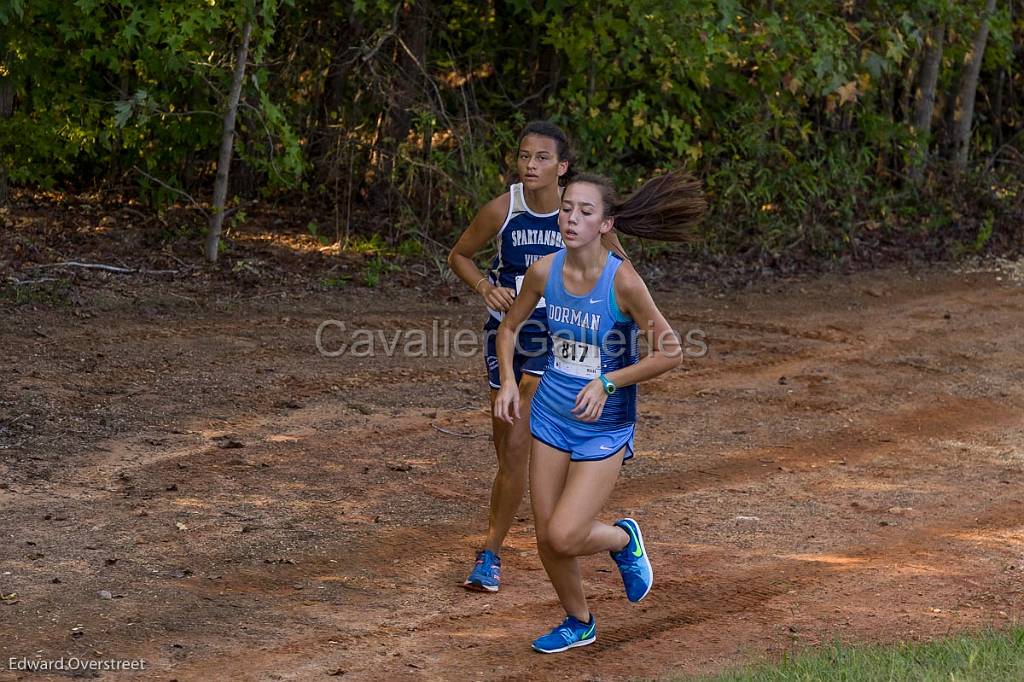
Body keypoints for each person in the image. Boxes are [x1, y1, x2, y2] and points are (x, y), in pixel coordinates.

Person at [493, 171, 705, 652]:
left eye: (585, 212)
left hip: (602, 426)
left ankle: (622, 540)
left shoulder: (623, 282)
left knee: (566, 534)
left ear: (606, 223)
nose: (571, 218)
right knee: (547, 539)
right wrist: (508, 381)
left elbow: (670, 351)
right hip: (550, 415)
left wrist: (609, 381)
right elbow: (507, 330)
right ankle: (579, 620)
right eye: (567, 208)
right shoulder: (545, 271)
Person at [447, 122, 624, 592]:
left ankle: (509, 547)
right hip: (508, 331)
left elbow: (620, 273)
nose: (531, 165)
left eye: (542, 158)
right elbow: (459, 255)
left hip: (561, 335)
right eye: (525, 156)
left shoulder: (578, 211)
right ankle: (495, 549)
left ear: (562, 167)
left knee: (523, 427)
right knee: (508, 451)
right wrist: (486, 287)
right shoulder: (505, 209)